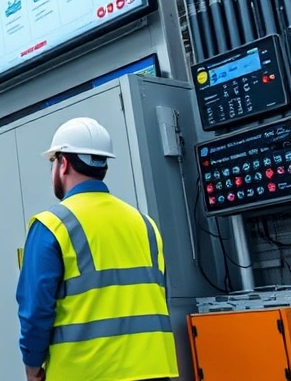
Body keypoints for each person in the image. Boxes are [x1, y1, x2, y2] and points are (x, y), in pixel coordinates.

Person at [16, 117, 178, 381]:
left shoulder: (51, 226)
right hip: (153, 369)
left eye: (53, 162)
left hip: (87, 371)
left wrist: (32, 365)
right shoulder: (145, 224)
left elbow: (35, 310)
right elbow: (160, 295)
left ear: (63, 163)